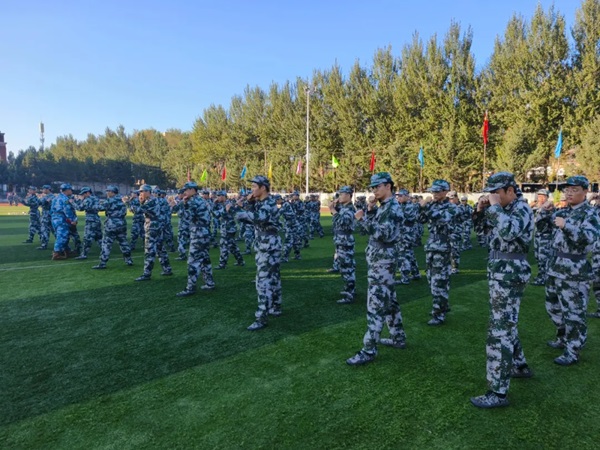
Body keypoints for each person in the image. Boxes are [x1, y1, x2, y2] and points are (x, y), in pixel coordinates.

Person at [470, 172, 534, 409]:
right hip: (500, 271)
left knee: (499, 330)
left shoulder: (521, 209)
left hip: (510, 272)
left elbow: (508, 232)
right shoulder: (502, 210)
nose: (492, 197)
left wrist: (495, 208)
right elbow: (482, 232)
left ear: (510, 190)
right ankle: (520, 365)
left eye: (496, 192)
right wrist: (480, 210)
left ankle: (498, 392)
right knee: (506, 322)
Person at [539, 176, 600, 365]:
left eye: (574, 190)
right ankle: (562, 337)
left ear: (585, 191)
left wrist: (566, 226)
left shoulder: (590, 214)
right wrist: (543, 212)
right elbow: (541, 228)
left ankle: (573, 350)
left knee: (574, 312)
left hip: (575, 271)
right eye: (567, 189)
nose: (569, 193)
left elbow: (588, 238)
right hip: (555, 267)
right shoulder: (562, 211)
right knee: (553, 307)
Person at [347, 172, 406, 365]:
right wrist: (370, 211)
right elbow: (376, 228)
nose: (374, 190)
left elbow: (383, 234)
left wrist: (362, 219)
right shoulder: (385, 207)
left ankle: (368, 350)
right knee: (390, 301)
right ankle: (398, 337)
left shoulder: (393, 208)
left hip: (383, 263)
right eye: (372, 187)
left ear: (388, 186)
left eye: (377, 186)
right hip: (380, 261)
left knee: (376, 305)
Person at [235, 175, 282, 330]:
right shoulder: (262, 202)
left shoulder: (268, 203)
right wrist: (249, 203)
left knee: (262, 282)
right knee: (273, 277)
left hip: (267, 246)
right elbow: (253, 217)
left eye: (254, 187)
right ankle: (276, 306)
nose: (252, 190)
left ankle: (261, 317)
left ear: (263, 188)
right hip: (267, 244)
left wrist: (238, 211)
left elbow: (258, 218)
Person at [418, 180, 458, 326]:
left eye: (437, 191)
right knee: (431, 278)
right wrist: (421, 207)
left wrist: (427, 207)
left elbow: (441, 219)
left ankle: (438, 313)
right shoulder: (432, 205)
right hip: (431, 246)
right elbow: (420, 219)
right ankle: (443, 305)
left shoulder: (451, 207)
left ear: (445, 192)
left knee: (438, 281)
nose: (434, 194)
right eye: (433, 191)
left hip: (442, 246)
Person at [176, 182, 215, 296]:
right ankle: (209, 283)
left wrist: (184, 204)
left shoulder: (193, 201)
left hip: (198, 233)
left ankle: (190, 287)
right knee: (205, 260)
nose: (185, 192)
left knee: (193, 261)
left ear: (193, 190)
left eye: (186, 190)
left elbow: (187, 217)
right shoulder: (201, 200)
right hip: (204, 232)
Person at [134, 184, 173, 281]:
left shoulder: (150, 201)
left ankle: (147, 274)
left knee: (149, 250)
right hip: (157, 226)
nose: (140, 194)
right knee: (160, 248)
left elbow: (138, 210)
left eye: (141, 192)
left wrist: (135, 202)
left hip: (152, 227)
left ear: (147, 192)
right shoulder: (154, 200)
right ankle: (167, 269)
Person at [93, 186, 133, 269]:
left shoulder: (110, 200)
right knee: (123, 242)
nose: (107, 193)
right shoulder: (122, 200)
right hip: (122, 223)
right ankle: (128, 260)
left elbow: (100, 208)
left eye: (108, 191)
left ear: (112, 192)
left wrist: (95, 204)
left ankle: (103, 263)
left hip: (111, 224)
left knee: (106, 244)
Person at [329, 186, 357, 304]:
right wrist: (335, 207)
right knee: (346, 266)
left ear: (349, 195)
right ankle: (350, 289)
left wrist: (333, 210)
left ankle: (349, 294)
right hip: (342, 240)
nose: (339, 196)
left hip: (345, 241)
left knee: (347, 268)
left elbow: (343, 222)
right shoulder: (344, 208)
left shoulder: (350, 209)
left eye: (342, 194)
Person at [212, 190, 245, 269]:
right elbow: (216, 214)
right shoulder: (223, 205)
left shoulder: (228, 204)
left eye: (219, 196)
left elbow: (219, 214)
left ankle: (222, 264)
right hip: (228, 228)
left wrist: (216, 206)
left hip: (228, 229)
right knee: (233, 247)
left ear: (223, 196)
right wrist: (215, 204)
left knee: (223, 246)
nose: (217, 198)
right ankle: (240, 261)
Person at [531, 189, 554, 286]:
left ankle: (544, 279)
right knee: (538, 258)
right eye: (539, 196)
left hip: (546, 237)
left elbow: (538, 220)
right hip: (538, 236)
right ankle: (541, 276)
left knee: (543, 259)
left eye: (543, 196)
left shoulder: (548, 208)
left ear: (547, 197)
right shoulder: (538, 208)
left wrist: (542, 208)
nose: (540, 198)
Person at [50, 183, 78, 260]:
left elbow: (51, 210)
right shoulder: (65, 199)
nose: (71, 191)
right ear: (67, 190)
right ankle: (57, 253)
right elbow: (67, 211)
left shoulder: (56, 198)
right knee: (62, 236)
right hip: (62, 219)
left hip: (55, 218)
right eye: (70, 190)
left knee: (61, 235)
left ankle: (67, 251)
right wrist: (72, 220)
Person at [74, 187, 103, 259]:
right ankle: (105, 251)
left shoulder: (88, 199)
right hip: (97, 219)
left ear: (87, 193)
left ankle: (84, 254)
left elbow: (80, 208)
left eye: (83, 194)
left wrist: (73, 203)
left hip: (90, 220)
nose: (83, 195)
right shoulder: (95, 198)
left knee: (87, 238)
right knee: (98, 237)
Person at [37, 185, 55, 250]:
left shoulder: (52, 197)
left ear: (48, 189)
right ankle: (62, 245)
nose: (43, 190)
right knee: (53, 230)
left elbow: (40, 203)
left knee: (45, 230)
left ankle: (44, 245)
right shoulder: (48, 196)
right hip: (50, 216)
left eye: (44, 189)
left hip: (47, 215)